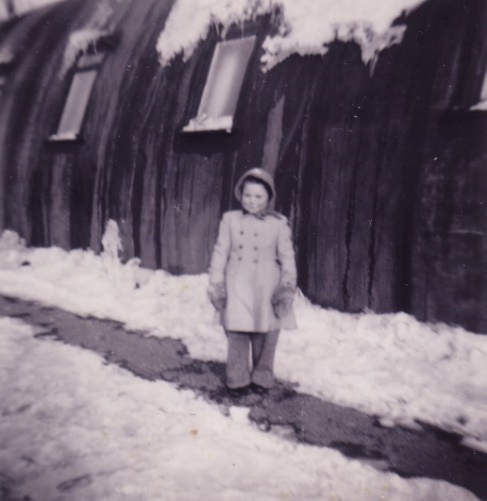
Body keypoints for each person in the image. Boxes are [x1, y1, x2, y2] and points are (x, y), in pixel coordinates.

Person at [208, 167, 297, 395]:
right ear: (240, 194)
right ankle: (237, 379)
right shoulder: (230, 219)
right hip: (237, 284)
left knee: (265, 333)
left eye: (259, 196)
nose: (252, 201)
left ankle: (262, 376)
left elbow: (287, 258)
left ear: (268, 197)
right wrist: (216, 283)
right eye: (248, 195)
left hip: (267, 286)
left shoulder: (278, 223)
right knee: (236, 332)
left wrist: (286, 287)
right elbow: (220, 252)